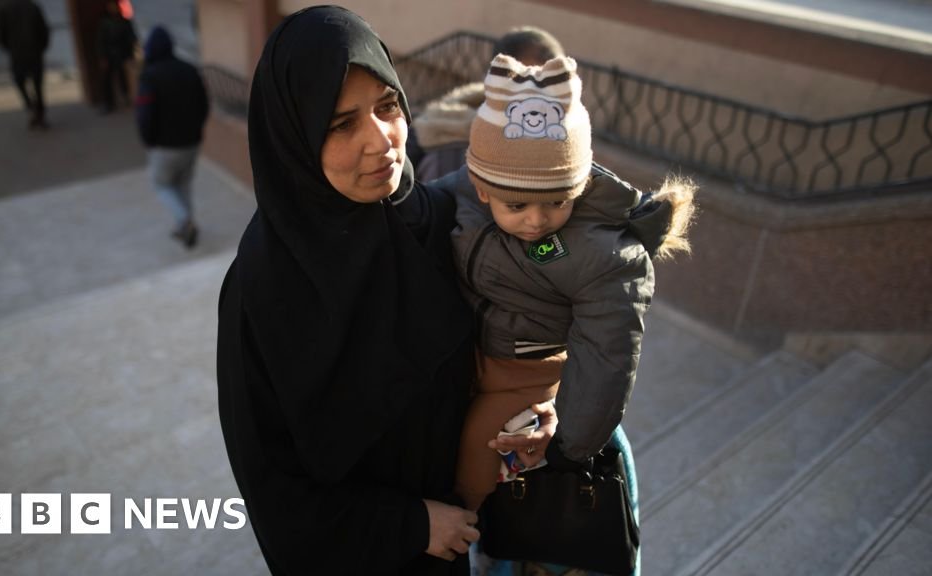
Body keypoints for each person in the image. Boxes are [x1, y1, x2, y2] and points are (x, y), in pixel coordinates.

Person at [216, 6, 546, 575]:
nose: (382, 141)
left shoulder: (439, 222)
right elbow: (273, 491)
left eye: (387, 106)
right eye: (341, 124)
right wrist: (411, 524)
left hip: (455, 547)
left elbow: (496, 362)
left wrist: (527, 421)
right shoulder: (262, 291)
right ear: (293, 140)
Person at [438, 53, 695, 574]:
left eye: (556, 202)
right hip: (464, 361)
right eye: (517, 207)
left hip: (528, 379)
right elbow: (415, 205)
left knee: (477, 464)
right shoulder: (462, 197)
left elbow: (607, 359)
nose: (538, 221)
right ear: (483, 189)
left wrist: (568, 447)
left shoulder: (603, 253)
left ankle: (468, 538)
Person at [408, 26, 564, 182]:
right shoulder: (454, 150)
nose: (546, 95)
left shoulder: (560, 140)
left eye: (558, 81)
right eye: (533, 83)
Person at [135, 26, 209, 248]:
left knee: (163, 186)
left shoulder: (149, 76)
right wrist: (196, 130)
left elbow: (145, 115)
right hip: (192, 142)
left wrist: (148, 140)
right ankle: (184, 226)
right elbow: (204, 105)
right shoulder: (189, 69)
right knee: (183, 185)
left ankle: (185, 220)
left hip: (164, 146)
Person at [0, 0, 49, 129]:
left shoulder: (5, 9)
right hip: (34, 51)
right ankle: (39, 112)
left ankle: (31, 107)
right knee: (37, 85)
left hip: (17, 53)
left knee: (20, 82)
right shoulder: (32, 7)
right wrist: (41, 47)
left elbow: (1, 35)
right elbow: (44, 30)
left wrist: (9, 48)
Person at [96, 0, 135, 113]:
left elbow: (130, 38)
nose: (113, 8)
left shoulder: (124, 21)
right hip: (109, 54)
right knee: (107, 79)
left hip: (121, 53)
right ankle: (108, 103)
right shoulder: (105, 22)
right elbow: (100, 41)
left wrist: (130, 54)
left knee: (123, 77)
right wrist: (103, 56)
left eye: (115, 6)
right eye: (111, 6)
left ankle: (125, 97)